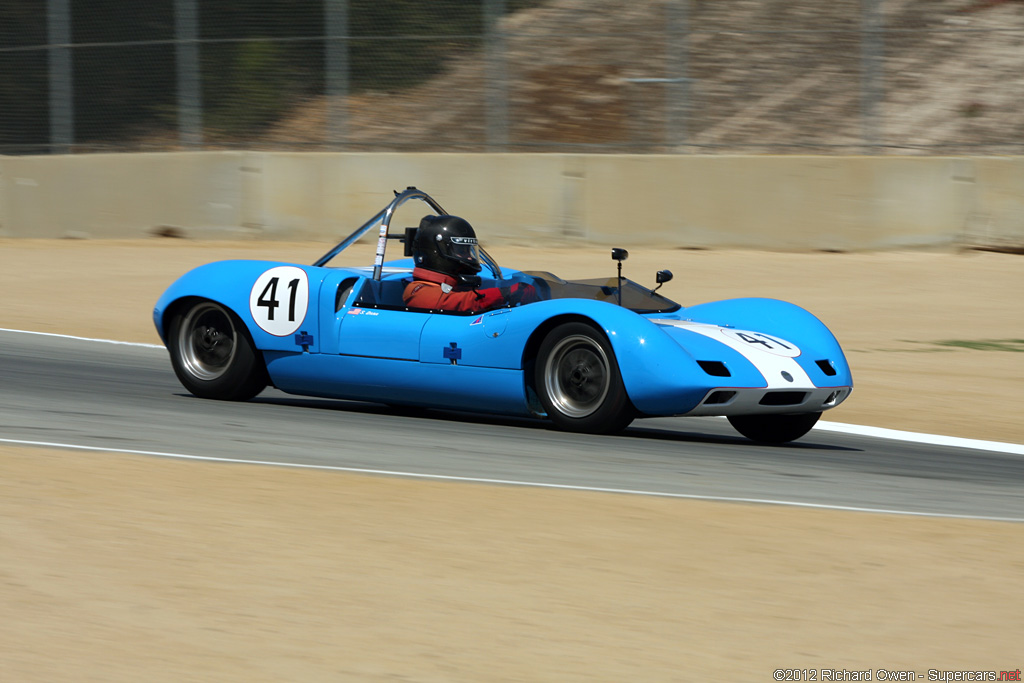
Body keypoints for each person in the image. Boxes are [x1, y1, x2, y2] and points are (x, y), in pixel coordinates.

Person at [403, 214, 537, 313]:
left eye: (469, 251)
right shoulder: (416, 290)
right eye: (461, 251)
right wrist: (506, 293)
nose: (468, 258)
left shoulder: (456, 285)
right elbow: (460, 302)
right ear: (436, 252)